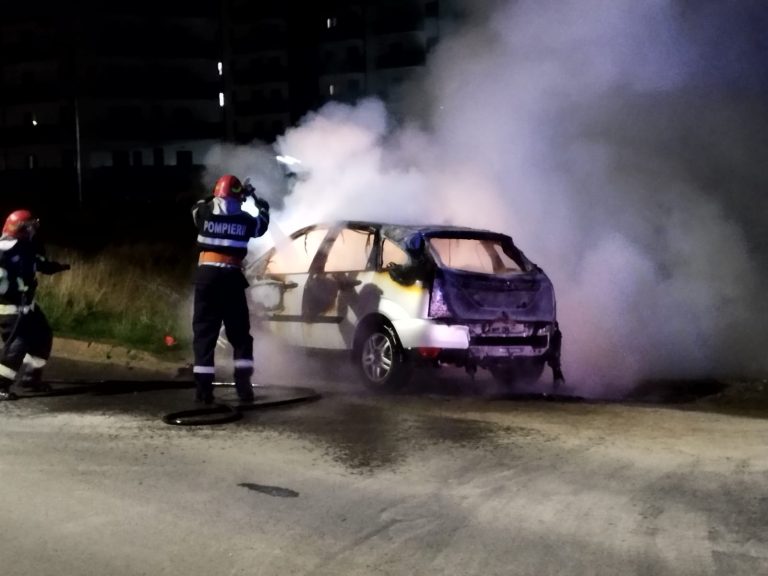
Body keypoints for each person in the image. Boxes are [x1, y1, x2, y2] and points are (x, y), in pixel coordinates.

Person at [191, 174, 270, 404]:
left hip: (206, 280)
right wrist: (262, 206)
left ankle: (204, 392)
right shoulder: (245, 220)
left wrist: (217, 193)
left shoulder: (203, 214)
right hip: (231, 280)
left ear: (217, 193)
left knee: (204, 337)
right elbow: (261, 226)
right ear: (239, 198)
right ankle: (244, 388)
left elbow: (197, 205)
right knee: (240, 337)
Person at [0, 210, 70, 401]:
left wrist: (58, 267)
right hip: (10, 309)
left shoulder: (25, 248)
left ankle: (30, 379)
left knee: (43, 335)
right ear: (21, 229)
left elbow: (39, 263)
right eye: (29, 227)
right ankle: (1, 385)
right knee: (17, 345)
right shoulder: (4, 251)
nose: (33, 231)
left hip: (27, 306)